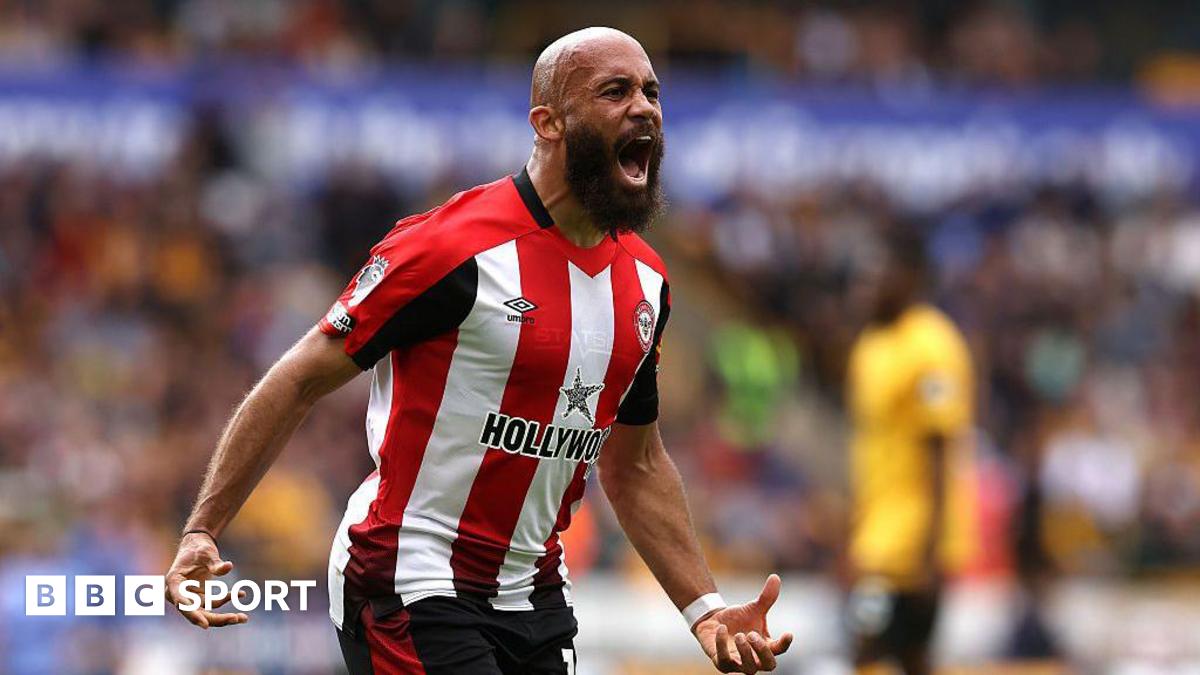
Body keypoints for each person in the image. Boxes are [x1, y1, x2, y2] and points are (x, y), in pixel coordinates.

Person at [164, 27, 793, 675]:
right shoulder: (448, 249)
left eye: (651, 92)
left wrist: (705, 609)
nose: (646, 107)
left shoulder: (646, 283)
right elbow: (299, 378)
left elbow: (634, 464)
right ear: (548, 123)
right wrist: (202, 528)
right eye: (616, 90)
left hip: (535, 593)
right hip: (410, 576)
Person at [844, 226, 976, 675]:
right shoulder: (871, 345)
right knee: (908, 658)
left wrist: (932, 552)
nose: (869, 283)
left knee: (867, 648)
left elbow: (940, 448)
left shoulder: (933, 347)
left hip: (910, 545)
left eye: (879, 271)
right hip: (877, 536)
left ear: (910, 276)